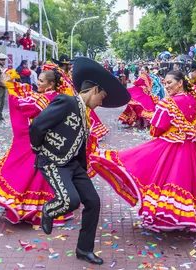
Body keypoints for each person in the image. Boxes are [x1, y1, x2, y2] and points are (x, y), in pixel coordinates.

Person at [90, 64, 196, 232]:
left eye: (170, 82)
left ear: (180, 83)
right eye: (165, 83)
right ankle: (189, 217)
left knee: (157, 175)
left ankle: (170, 218)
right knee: (190, 183)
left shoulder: (169, 103)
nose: (167, 86)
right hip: (191, 149)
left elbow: (156, 129)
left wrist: (169, 130)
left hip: (170, 148)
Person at [30, 57, 130, 265]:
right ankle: (49, 210)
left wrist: (82, 168)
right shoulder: (66, 101)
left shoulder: (86, 114)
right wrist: (39, 150)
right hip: (53, 162)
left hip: (74, 166)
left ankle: (84, 249)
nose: (101, 103)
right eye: (101, 98)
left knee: (93, 202)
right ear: (93, 90)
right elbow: (37, 126)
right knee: (70, 201)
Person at [0, 68, 76, 225]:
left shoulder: (46, 99)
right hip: (53, 145)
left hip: (39, 143)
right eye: (38, 79)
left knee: (28, 174)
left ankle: (31, 209)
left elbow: (29, 108)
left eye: (41, 81)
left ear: (51, 84)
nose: (38, 83)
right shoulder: (58, 97)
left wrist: (13, 89)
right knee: (45, 178)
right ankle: (48, 209)